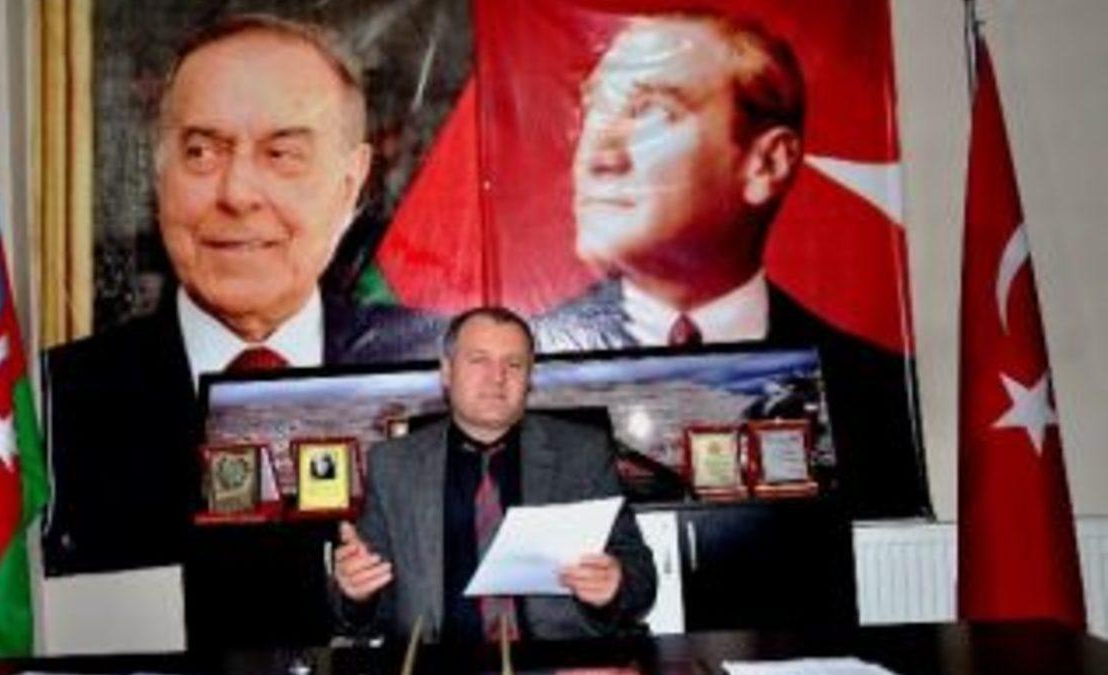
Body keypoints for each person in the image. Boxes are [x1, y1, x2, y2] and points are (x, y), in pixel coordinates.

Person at [535, 12, 929, 518]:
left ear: (767, 163)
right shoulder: (531, 384)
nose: (597, 156)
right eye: (594, 110)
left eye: (650, 109)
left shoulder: (878, 395)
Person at [42, 14, 373, 574]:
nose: (237, 194)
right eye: (201, 152)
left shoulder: (439, 381)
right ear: (159, 173)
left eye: (281, 154)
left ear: (350, 181)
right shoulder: (55, 403)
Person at [332, 307, 656, 643]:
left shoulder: (582, 454)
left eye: (513, 364)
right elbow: (367, 611)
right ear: (447, 372)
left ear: (529, 378)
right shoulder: (394, 465)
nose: (497, 377)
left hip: (555, 657)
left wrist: (615, 586)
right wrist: (357, 593)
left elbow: (641, 578)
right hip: (437, 658)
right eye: (479, 360)